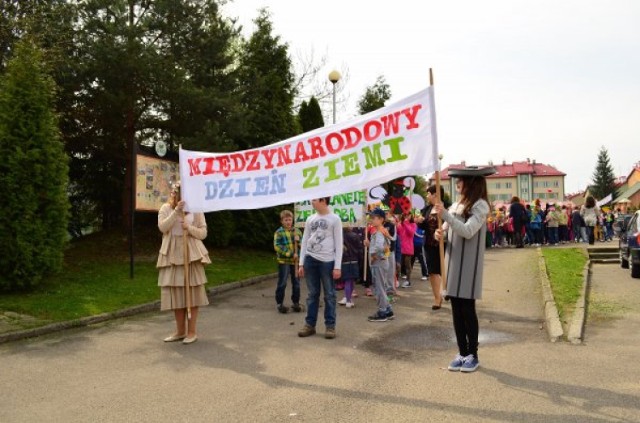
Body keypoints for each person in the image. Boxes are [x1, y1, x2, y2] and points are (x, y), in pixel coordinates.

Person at [435, 166, 495, 373]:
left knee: (467, 310)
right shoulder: (455, 206)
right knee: (456, 311)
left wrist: (446, 216)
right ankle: (461, 352)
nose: (457, 185)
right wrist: (439, 233)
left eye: (460, 181)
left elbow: (468, 231)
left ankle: (473, 354)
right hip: (453, 264)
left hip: (468, 268)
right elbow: (446, 229)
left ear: (471, 183)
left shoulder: (480, 206)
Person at [157, 182, 210, 345]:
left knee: (192, 293)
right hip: (172, 253)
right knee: (176, 293)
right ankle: (180, 331)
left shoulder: (196, 209)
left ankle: (192, 331)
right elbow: (163, 227)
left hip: (191, 254)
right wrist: (176, 211)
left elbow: (203, 233)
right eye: (179, 193)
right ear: (174, 193)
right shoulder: (165, 208)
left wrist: (189, 228)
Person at [297, 197, 343, 339]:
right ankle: (310, 325)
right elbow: (305, 241)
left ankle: (330, 326)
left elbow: (339, 243)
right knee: (312, 294)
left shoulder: (335, 219)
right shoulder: (310, 219)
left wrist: (337, 266)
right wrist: (301, 263)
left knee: (329, 295)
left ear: (323, 201)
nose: (312, 201)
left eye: (315, 199)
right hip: (310, 260)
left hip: (327, 262)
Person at [364, 207, 394, 322]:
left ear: (381, 219)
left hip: (378, 262)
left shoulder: (380, 232)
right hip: (382, 261)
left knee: (379, 287)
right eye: (371, 217)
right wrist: (369, 244)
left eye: (374, 217)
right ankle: (388, 309)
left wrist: (373, 255)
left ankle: (382, 311)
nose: (371, 219)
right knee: (381, 286)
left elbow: (380, 247)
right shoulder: (381, 231)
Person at [421, 185, 446, 310]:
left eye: (428, 194)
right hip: (430, 244)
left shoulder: (447, 206)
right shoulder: (427, 209)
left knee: (445, 271)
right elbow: (423, 225)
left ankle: (446, 292)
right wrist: (419, 221)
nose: (427, 196)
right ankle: (437, 298)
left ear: (435, 194)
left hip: (444, 244)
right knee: (432, 272)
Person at [273, 210, 303, 314]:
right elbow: (277, 246)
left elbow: (302, 245)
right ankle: (280, 304)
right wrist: (290, 254)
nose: (288, 222)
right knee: (282, 282)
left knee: (297, 283)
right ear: (281, 221)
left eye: (290, 219)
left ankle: (296, 303)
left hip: (295, 262)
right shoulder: (279, 232)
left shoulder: (297, 231)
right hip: (284, 261)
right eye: (286, 220)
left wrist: (299, 243)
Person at [338, 228, 362, 308]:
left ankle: (347, 298)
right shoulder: (355, 236)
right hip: (354, 260)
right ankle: (348, 300)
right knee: (351, 281)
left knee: (348, 280)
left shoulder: (340, 236)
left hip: (344, 260)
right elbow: (359, 248)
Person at [397, 213, 417, 288]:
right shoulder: (400, 224)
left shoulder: (413, 224)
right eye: (405, 215)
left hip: (408, 248)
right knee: (398, 265)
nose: (407, 216)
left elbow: (411, 233)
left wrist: (405, 223)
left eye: (408, 215)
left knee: (407, 266)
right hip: (400, 248)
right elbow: (397, 233)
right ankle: (396, 280)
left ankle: (408, 281)